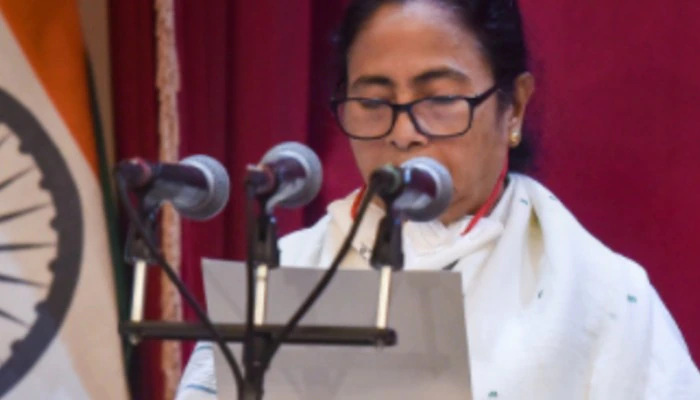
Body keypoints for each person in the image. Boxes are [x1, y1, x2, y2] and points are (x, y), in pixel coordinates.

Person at [176, 0, 700, 399]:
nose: (404, 133)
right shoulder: (281, 277)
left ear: (514, 107)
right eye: (373, 101)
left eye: (441, 99)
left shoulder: (600, 298)